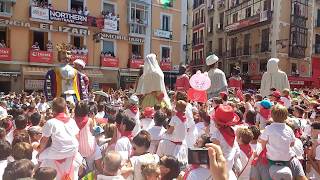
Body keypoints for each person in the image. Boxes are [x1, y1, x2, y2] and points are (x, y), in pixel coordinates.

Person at [37, 97, 83, 180]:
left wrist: (39, 152)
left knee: (39, 157)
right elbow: (77, 137)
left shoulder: (51, 122)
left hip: (58, 151)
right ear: (65, 108)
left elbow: (44, 140)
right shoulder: (72, 121)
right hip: (73, 150)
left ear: (53, 109)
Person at [259, 104, 307, 180]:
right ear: (285, 116)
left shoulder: (268, 128)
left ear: (272, 115)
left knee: (256, 163)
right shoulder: (289, 129)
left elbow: (263, 143)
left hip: (271, 158)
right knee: (296, 163)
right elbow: (292, 144)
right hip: (287, 158)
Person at [210, 105, 241, 179]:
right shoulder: (233, 131)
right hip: (230, 172)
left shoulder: (216, 135)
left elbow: (215, 156)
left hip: (220, 173)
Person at [74, 101, 102, 171]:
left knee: (88, 169)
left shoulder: (73, 121)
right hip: (91, 148)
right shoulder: (89, 120)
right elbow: (93, 132)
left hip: (80, 150)